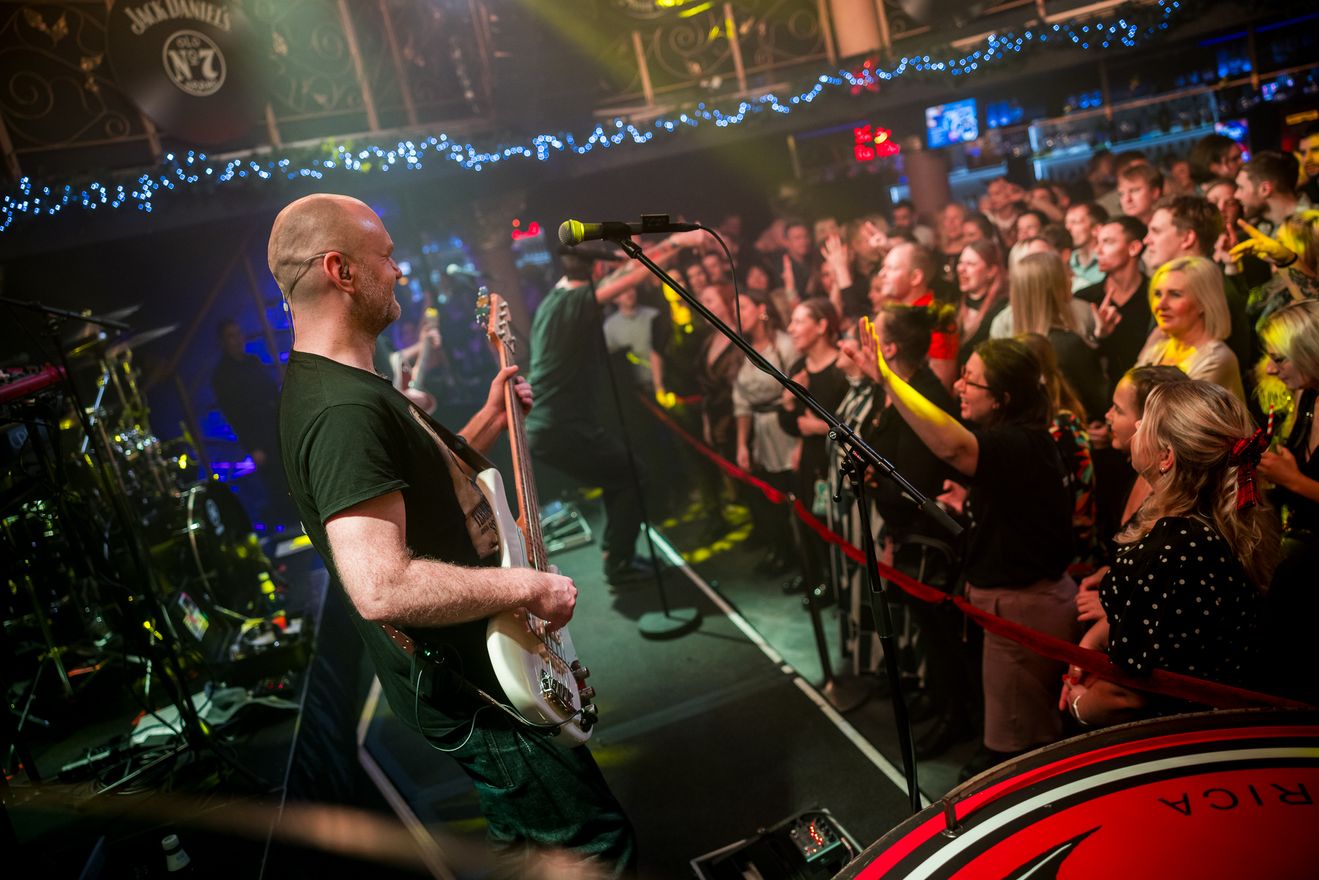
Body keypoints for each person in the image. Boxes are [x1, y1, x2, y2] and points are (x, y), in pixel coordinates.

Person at [267, 193, 635, 872]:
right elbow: (380, 586)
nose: (399, 271)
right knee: (591, 846)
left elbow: (420, 488)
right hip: (478, 686)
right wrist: (526, 586)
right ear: (341, 270)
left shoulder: (348, 386)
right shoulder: (343, 413)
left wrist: (490, 417)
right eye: (386, 256)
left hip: (479, 666)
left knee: (528, 849)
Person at [862, 332, 1079, 779]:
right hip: (1012, 605)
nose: (959, 386)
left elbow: (952, 447)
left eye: (971, 380)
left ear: (1001, 398)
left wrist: (888, 381)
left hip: (1023, 609)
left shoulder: (1019, 443)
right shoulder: (1016, 440)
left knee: (1015, 751)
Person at [1061, 381, 1280, 726]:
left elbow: (1125, 697)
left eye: (1145, 420)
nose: (1136, 424)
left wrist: (1078, 704)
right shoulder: (1217, 522)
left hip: (1173, 735)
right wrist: (1093, 642)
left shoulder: (1173, 551)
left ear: (1166, 457)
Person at [525, 231, 704, 586]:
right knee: (634, 475)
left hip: (548, 424)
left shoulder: (555, 299)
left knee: (617, 476)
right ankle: (618, 563)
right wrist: (681, 242)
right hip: (561, 424)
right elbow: (630, 279)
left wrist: (622, 261)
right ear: (598, 268)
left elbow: (618, 279)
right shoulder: (575, 301)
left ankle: (615, 554)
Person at [843, 304, 968, 759]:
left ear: (890, 348)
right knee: (928, 631)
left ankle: (956, 715)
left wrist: (879, 485)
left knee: (941, 634)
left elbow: (914, 480)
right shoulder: (897, 388)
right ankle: (937, 699)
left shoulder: (922, 395)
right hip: (905, 532)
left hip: (924, 538)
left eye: (874, 333)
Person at [1077, 366, 1191, 624]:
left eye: (1118, 410)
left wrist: (1116, 607)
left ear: (1149, 424)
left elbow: (1170, 597)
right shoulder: (1132, 469)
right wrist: (1112, 572)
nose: (1107, 416)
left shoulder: (1175, 502)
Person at [1256, 300, 1319, 704]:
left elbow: (1298, 480)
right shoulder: (1307, 398)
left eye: (1279, 359)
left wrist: (1292, 480)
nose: (1270, 369)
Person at [732, 291, 798, 574]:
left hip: (786, 430)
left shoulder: (784, 346)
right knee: (771, 498)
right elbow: (741, 402)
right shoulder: (744, 350)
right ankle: (782, 551)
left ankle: (803, 560)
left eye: (744, 306)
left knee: (795, 498)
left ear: (762, 309)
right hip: (761, 432)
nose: (739, 313)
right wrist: (742, 445)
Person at [999, 251, 1108, 422]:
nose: (1071, 278)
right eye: (1066, 274)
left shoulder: (1009, 350)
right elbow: (1100, 400)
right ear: (1054, 287)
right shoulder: (1067, 345)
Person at [211, 319, 294, 522]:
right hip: (258, 436)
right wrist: (253, 447)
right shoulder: (222, 376)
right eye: (231, 336)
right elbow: (234, 415)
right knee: (276, 483)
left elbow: (271, 392)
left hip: (275, 425)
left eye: (238, 334)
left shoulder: (252, 362)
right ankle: (289, 522)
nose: (238, 339)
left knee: (291, 474)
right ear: (223, 341)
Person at [1135, 256, 1245, 400]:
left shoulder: (1216, 359)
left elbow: (1173, 412)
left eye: (1175, 294)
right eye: (1158, 294)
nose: (1161, 305)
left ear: (1203, 302)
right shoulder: (1157, 349)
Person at [873, 241, 958, 388]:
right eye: (883, 267)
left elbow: (940, 385)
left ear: (915, 277)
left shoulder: (936, 320)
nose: (882, 274)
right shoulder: (893, 311)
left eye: (891, 268)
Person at [1077, 216, 1150, 382]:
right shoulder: (1085, 298)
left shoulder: (1156, 295)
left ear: (1133, 248)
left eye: (1108, 242)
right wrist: (1099, 336)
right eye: (1098, 242)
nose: (1097, 250)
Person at [953, 239, 1008, 368]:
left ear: (991, 271)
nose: (961, 269)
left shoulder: (1000, 310)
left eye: (970, 264)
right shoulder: (954, 303)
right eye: (960, 262)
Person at [1235, 151, 1304, 237]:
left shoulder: (1314, 226)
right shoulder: (1261, 230)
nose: (1236, 195)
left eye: (1241, 188)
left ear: (1265, 189)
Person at [1065, 202, 1109, 291]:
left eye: (1074, 222)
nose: (1067, 228)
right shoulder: (1065, 262)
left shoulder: (1110, 261)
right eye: (1066, 223)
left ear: (1096, 229)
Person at [1117, 162, 1164, 226]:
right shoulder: (1119, 228)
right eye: (1121, 194)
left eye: (1134, 190)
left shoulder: (1172, 223)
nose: (1127, 199)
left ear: (1154, 192)